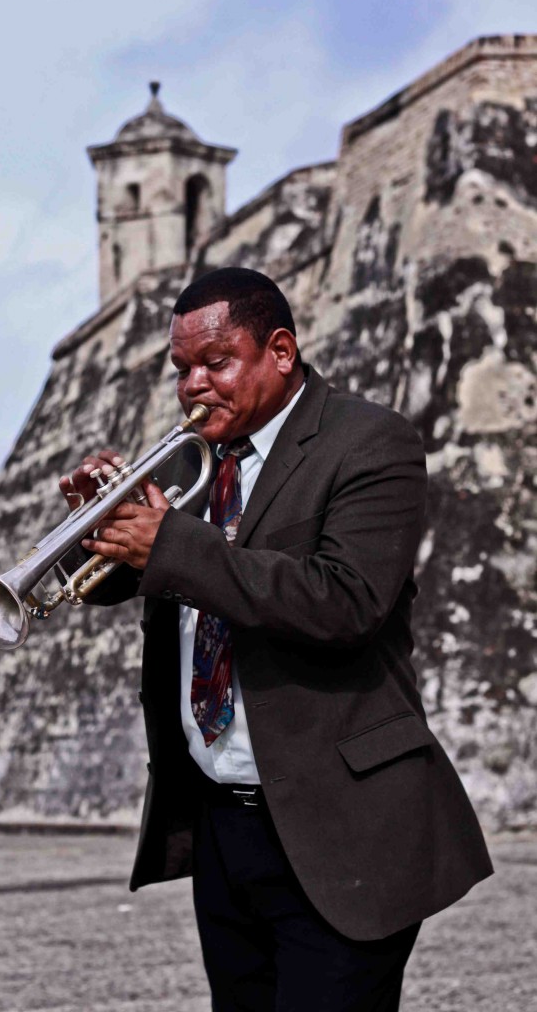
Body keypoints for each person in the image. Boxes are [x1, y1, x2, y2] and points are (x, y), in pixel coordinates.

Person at [58, 267, 492, 1012]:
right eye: (181, 369)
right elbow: (132, 581)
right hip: (225, 827)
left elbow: (345, 601)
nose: (194, 385)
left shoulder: (369, 443)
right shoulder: (197, 465)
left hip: (341, 825)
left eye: (216, 362)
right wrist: (93, 530)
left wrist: (170, 542)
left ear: (281, 351)